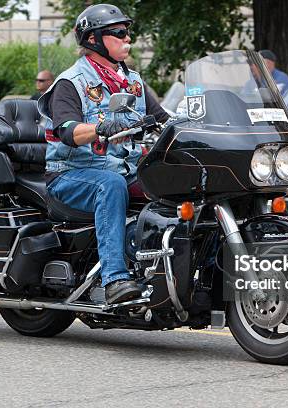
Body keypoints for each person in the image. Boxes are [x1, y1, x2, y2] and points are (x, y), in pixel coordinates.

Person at [37, 4, 169, 304]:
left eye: (128, 32)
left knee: (173, 183)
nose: (127, 39)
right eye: (119, 33)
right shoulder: (71, 82)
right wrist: (100, 126)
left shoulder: (132, 81)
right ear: (94, 39)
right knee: (109, 185)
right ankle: (114, 279)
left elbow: (163, 118)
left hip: (124, 168)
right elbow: (67, 131)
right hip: (71, 174)